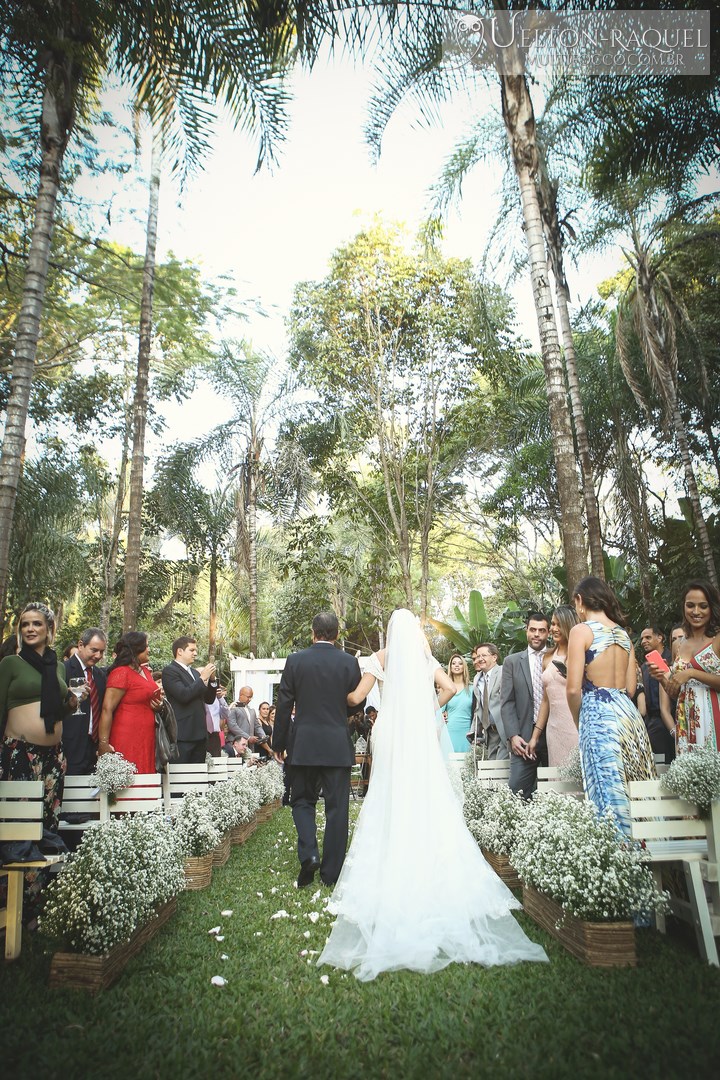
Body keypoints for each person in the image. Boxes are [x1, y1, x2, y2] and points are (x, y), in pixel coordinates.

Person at [317, 608, 547, 982]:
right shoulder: (427, 660)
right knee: (424, 791)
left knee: (390, 794)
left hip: (391, 732)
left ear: (392, 631)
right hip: (420, 734)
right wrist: (426, 710)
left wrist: (332, 692)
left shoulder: (379, 658)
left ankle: (396, 851)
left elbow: (357, 696)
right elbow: (452, 689)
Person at [272, 611, 364, 889]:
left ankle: (309, 853)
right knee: (337, 809)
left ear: (313, 632)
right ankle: (331, 874)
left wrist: (278, 743)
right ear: (337, 634)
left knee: (302, 800)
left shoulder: (295, 660)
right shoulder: (349, 663)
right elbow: (357, 704)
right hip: (337, 744)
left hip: (303, 745)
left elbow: (284, 704)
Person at [567, 577, 656, 839]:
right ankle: (646, 853)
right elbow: (630, 689)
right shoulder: (624, 634)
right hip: (627, 716)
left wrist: (579, 720)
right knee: (634, 788)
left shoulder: (581, 631)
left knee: (608, 790)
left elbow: (572, 689)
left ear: (580, 601)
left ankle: (618, 859)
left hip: (598, 714)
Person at [0, 603, 72, 862]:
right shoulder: (11, 663)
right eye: (25, 624)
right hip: (20, 753)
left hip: (53, 756)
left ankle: (39, 896)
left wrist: (71, 705)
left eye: (37, 623)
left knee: (46, 826)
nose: (30, 628)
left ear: (49, 628)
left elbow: (57, 712)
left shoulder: (58, 667)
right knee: (18, 828)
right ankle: (12, 896)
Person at [650, 581, 720, 754]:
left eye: (703, 606)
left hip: (714, 717)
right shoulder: (678, 645)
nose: (696, 612)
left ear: (711, 608)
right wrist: (661, 678)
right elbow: (676, 693)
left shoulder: (718, 639)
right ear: (683, 607)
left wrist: (691, 673)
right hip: (685, 721)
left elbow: (689, 676)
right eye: (690, 606)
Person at [99, 632, 163, 773]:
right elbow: (107, 709)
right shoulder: (121, 672)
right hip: (128, 734)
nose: (149, 649)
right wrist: (103, 743)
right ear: (136, 649)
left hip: (147, 734)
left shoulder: (145, 671)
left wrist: (158, 706)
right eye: (146, 646)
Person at [501, 612, 550, 797]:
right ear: (526, 631)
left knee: (558, 791)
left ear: (548, 633)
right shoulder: (511, 662)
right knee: (517, 791)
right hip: (523, 738)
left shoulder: (557, 658)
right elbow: (507, 702)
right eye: (533, 630)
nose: (537, 634)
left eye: (542, 630)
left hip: (553, 734)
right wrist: (513, 735)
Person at [528, 606, 579, 767]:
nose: (553, 629)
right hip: (553, 729)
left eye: (558, 624)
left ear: (568, 626)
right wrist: (535, 736)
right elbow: (545, 700)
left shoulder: (579, 655)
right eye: (553, 624)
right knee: (557, 781)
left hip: (575, 725)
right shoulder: (547, 656)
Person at [162, 637, 217, 764]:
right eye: (191, 650)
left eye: (196, 650)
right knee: (182, 776)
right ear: (180, 651)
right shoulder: (170, 671)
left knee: (197, 777)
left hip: (200, 734)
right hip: (183, 734)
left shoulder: (195, 673)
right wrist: (203, 677)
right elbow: (183, 695)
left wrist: (212, 680)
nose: (195, 653)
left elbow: (209, 699)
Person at [63, 628, 108, 775]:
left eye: (101, 652)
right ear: (81, 645)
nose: (98, 656)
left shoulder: (100, 675)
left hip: (93, 750)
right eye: (94, 650)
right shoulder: (63, 670)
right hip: (70, 747)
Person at [638, 625, 674, 760]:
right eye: (642, 639)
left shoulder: (671, 660)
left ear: (660, 638)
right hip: (652, 722)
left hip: (673, 719)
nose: (643, 641)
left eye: (648, 637)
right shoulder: (644, 667)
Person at [469, 643, 508, 760]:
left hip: (504, 728)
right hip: (490, 732)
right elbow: (479, 707)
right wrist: (474, 732)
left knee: (501, 767)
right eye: (478, 656)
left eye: (484, 655)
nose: (480, 659)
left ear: (494, 657)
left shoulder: (503, 672)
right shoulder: (477, 678)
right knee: (492, 765)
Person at [444, 652, 473, 751]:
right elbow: (436, 710)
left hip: (468, 733)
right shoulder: (446, 689)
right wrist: (441, 717)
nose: (457, 665)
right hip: (450, 732)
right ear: (450, 667)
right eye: (454, 663)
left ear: (464, 667)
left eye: (460, 663)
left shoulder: (472, 688)